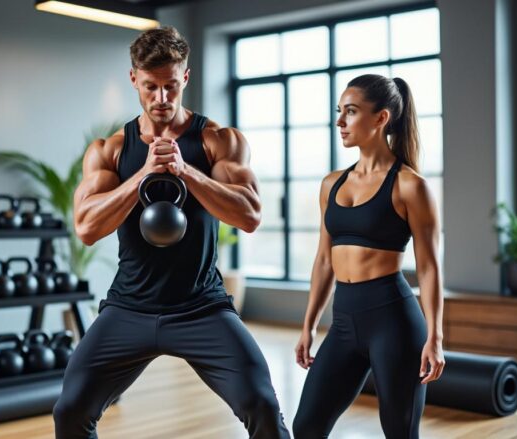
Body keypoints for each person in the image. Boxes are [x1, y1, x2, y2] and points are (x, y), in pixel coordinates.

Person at [52, 26, 290, 439]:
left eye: (170, 86)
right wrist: (143, 173)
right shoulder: (110, 149)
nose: (161, 98)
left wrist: (186, 171)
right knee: (70, 410)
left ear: (186, 77)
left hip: (201, 307)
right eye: (150, 87)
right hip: (129, 307)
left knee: (263, 405)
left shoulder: (218, 141)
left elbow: (250, 216)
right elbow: (87, 228)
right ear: (133, 80)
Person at [292, 74, 445, 439]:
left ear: (381, 118)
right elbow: (325, 260)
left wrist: (435, 337)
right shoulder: (332, 184)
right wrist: (309, 324)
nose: (339, 121)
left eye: (350, 112)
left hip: (394, 322)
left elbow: (428, 267)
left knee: (399, 431)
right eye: (339, 112)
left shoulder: (410, 185)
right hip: (344, 322)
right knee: (307, 426)